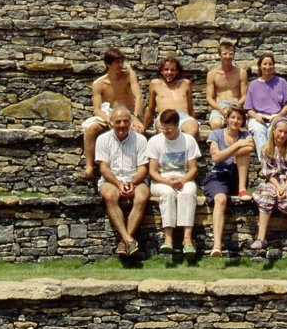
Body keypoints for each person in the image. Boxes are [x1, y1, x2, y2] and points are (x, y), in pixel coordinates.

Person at [94, 104, 149, 257]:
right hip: (111, 180)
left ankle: (124, 240)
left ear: (131, 122)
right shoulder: (102, 139)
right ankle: (128, 240)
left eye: (125, 121)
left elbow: (143, 168)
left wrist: (133, 182)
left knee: (142, 196)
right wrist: (118, 183)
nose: (122, 125)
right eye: (118, 121)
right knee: (110, 196)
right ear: (111, 123)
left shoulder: (140, 140)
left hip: (135, 179)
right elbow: (104, 168)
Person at [146, 108, 201, 258]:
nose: (165, 132)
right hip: (162, 179)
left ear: (177, 126)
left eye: (169, 129)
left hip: (184, 178)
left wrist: (182, 180)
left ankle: (187, 238)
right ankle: (168, 237)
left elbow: (193, 169)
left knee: (189, 192)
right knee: (168, 193)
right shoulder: (155, 141)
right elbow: (152, 171)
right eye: (163, 128)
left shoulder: (188, 140)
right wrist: (167, 181)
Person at [82, 48, 144, 178]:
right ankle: (89, 166)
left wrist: (136, 117)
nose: (121, 65)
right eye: (117, 62)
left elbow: (139, 97)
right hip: (108, 113)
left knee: (139, 130)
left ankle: (137, 169)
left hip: (128, 113)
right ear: (108, 64)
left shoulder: (129, 75)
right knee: (89, 129)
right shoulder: (99, 84)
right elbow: (97, 109)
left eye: (122, 61)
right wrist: (108, 119)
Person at [202, 106, 255, 256]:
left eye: (239, 118)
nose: (235, 121)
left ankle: (242, 188)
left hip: (236, 175)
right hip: (218, 175)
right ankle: (217, 245)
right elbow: (216, 158)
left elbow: (250, 148)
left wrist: (231, 151)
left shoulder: (246, 134)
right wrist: (238, 144)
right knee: (220, 199)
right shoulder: (216, 134)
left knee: (244, 153)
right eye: (233, 117)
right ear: (227, 119)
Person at [250, 118, 287, 254]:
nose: (282, 135)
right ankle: (261, 238)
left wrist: (284, 187)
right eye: (280, 131)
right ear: (274, 131)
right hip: (272, 181)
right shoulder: (266, 149)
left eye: (286, 133)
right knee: (266, 196)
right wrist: (278, 187)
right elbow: (268, 174)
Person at [244, 52, 287, 160]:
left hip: (276, 116)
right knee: (258, 130)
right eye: (265, 64)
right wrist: (256, 116)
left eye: (270, 64)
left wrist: (279, 115)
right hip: (259, 117)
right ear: (260, 66)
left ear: (273, 66)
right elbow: (248, 109)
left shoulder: (281, 82)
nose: (267, 67)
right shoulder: (253, 85)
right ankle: (265, 161)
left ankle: (277, 159)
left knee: (275, 130)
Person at [143, 57, 200, 141]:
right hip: (164, 116)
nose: (169, 72)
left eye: (172, 70)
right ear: (161, 71)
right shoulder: (155, 84)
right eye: (166, 69)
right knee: (163, 131)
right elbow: (150, 109)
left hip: (183, 116)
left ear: (177, 71)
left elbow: (190, 109)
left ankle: (185, 153)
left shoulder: (185, 83)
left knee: (192, 130)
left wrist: (193, 122)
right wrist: (144, 127)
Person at [206, 41, 248, 130]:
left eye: (231, 54)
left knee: (244, 125)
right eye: (225, 54)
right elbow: (209, 98)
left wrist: (234, 107)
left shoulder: (241, 73)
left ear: (234, 55)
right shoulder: (212, 74)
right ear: (219, 55)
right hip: (219, 106)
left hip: (236, 105)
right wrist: (221, 109)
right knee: (215, 123)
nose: (228, 57)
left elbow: (244, 95)